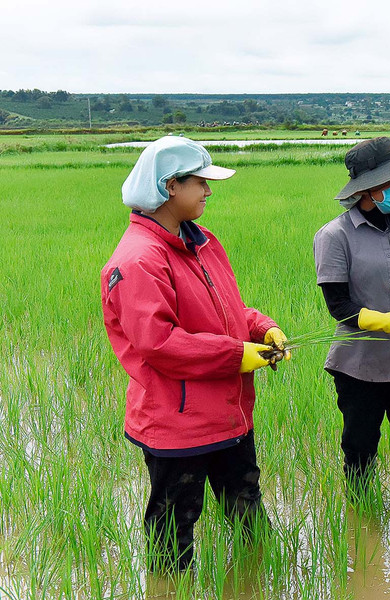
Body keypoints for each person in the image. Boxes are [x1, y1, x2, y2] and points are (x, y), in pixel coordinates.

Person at [101, 136, 289, 572]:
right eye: (200, 182)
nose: (208, 191)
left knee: (247, 507)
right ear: (170, 186)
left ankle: (260, 581)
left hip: (228, 413)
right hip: (178, 423)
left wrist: (261, 327)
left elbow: (226, 310)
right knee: (174, 527)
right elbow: (159, 342)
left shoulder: (202, 241)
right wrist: (237, 355)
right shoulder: (139, 260)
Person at [313, 137, 390, 501]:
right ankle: (360, 523)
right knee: (360, 451)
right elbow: (339, 305)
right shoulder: (335, 235)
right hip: (359, 367)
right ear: (369, 188)